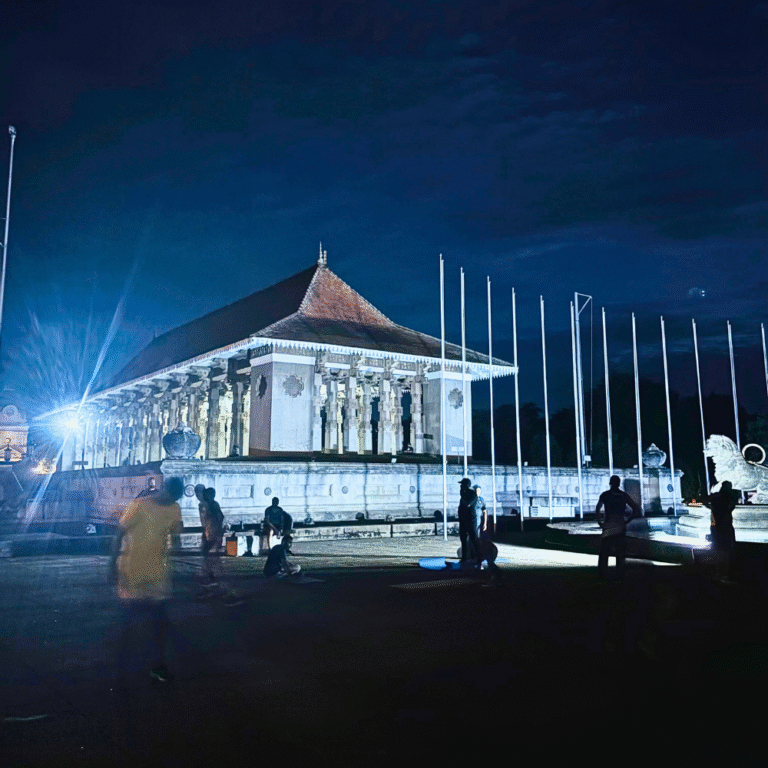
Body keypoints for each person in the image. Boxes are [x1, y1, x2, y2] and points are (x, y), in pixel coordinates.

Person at [110, 476, 184, 683]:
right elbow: (119, 534)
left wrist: (177, 540)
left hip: (157, 572)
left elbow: (175, 534)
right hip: (132, 570)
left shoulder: (174, 508)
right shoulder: (139, 507)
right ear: (164, 489)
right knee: (131, 620)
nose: (172, 500)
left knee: (159, 621)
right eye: (171, 495)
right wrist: (112, 564)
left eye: (176, 498)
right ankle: (122, 663)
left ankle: (157, 665)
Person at [195, 486, 241, 604]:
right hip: (210, 536)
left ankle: (226, 591)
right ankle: (213, 588)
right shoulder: (205, 506)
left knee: (213, 563)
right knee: (210, 563)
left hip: (213, 537)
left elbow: (218, 519)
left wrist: (216, 536)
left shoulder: (212, 505)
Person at [595, 475, 641, 581]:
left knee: (604, 551)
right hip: (620, 525)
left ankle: (602, 574)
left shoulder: (605, 495)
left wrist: (600, 522)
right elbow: (635, 509)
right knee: (620, 551)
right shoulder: (623, 496)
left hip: (608, 525)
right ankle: (620, 574)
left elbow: (598, 508)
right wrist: (627, 521)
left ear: (610, 483)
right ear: (619, 484)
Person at [703, 480, 737, 583]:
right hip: (725, 526)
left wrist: (710, 507)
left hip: (716, 527)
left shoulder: (716, 497)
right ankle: (725, 574)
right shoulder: (729, 497)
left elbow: (704, 500)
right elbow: (732, 506)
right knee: (726, 550)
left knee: (717, 549)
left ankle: (718, 573)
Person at [457, 478, 482, 568]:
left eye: (462, 484)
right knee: (463, 538)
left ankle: (477, 556)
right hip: (463, 519)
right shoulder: (462, 494)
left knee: (473, 538)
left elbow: (468, 504)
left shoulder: (472, 494)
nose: (460, 486)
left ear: (466, 485)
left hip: (470, 519)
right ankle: (465, 557)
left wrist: (463, 497)